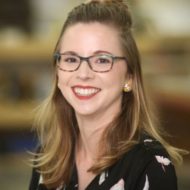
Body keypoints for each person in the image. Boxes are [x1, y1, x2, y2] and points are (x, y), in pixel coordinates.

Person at [29, 0, 184, 189]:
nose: (83, 74)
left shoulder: (150, 166)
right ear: (57, 72)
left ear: (129, 77)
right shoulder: (47, 157)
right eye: (71, 59)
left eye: (102, 60)